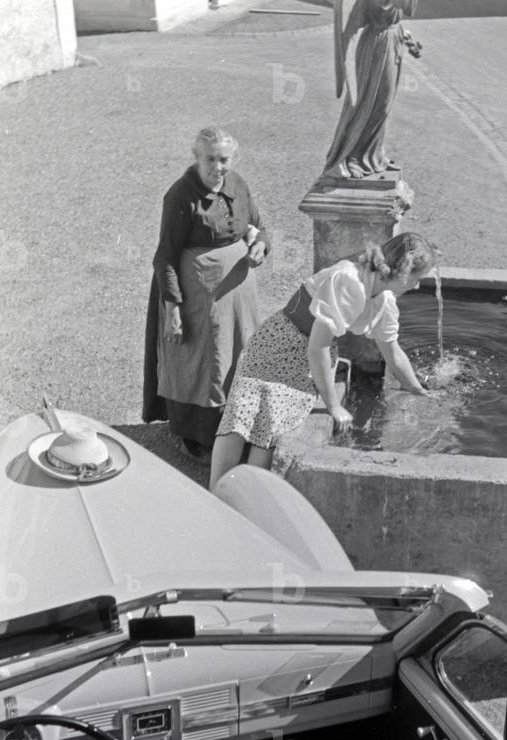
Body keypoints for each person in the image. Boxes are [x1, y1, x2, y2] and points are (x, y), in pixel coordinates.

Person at [209, 233, 436, 490]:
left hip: (309, 357)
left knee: (271, 423)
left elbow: (392, 351)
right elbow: (318, 345)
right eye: (417, 279)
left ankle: (246, 495)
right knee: (240, 414)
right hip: (279, 342)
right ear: (402, 273)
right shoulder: (349, 281)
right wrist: (333, 405)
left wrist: (416, 388)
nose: (417, 286)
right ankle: (216, 493)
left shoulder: (383, 300)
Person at [142, 127, 269, 461]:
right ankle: (201, 440)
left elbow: (258, 224)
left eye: (224, 159)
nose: (218, 167)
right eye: (210, 159)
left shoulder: (238, 184)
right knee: (203, 364)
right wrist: (173, 309)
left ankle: (238, 431)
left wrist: (260, 244)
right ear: (197, 158)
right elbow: (165, 256)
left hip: (238, 295)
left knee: (237, 357)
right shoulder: (181, 196)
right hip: (198, 297)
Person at [325, 0, 422, 179]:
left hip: (393, 39)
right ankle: (349, 157)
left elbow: (406, 9)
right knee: (366, 103)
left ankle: (373, 155)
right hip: (377, 46)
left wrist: (404, 35)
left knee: (383, 106)